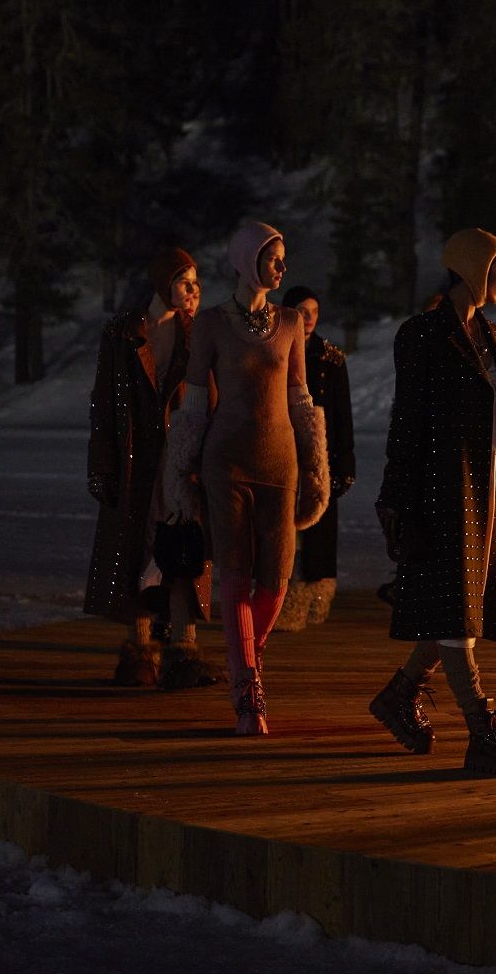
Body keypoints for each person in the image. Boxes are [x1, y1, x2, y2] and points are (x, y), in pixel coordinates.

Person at [367, 228, 496, 776]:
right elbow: (408, 420)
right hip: (445, 494)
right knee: (457, 616)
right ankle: (482, 729)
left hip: (489, 498)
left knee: (456, 611)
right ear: (472, 268)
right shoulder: (422, 335)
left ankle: (400, 693)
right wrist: (396, 498)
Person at [162, 222, 329, 735]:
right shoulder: (211, 324)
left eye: (283, 258)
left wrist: (316, 467)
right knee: (234, 573)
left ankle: (245, 654)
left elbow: (301, 399)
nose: (282, 267)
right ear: (246, 260)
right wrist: (180, 471)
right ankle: (247, 691)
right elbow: (194, 403)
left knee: (276, 580)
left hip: (281, 465)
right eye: (273, 258)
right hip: (226, 464)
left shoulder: (290, 322)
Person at [85, 247, 213, 689]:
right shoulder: (124, 334)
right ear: (163, 284)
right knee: (136, 548)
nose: (193, 290)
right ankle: (140, 649)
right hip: (135, 460)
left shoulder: (199, 334)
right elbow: (104, 405)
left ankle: (184, 649)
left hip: (182, 459)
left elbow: (213, 399)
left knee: (185, 549)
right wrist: (102, 466)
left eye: (196, 282)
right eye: (184, 282)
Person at [274, 286, 355, 629]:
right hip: (282, 451)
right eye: (302, 311)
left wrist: (344, 464)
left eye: (314, 312)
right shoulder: (275, 349)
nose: (309, 318)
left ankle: (312, 600)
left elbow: (342, 417)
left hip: (320, 456)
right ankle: (281, 600)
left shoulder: (330, 359)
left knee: (318, 531)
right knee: (283, 529)